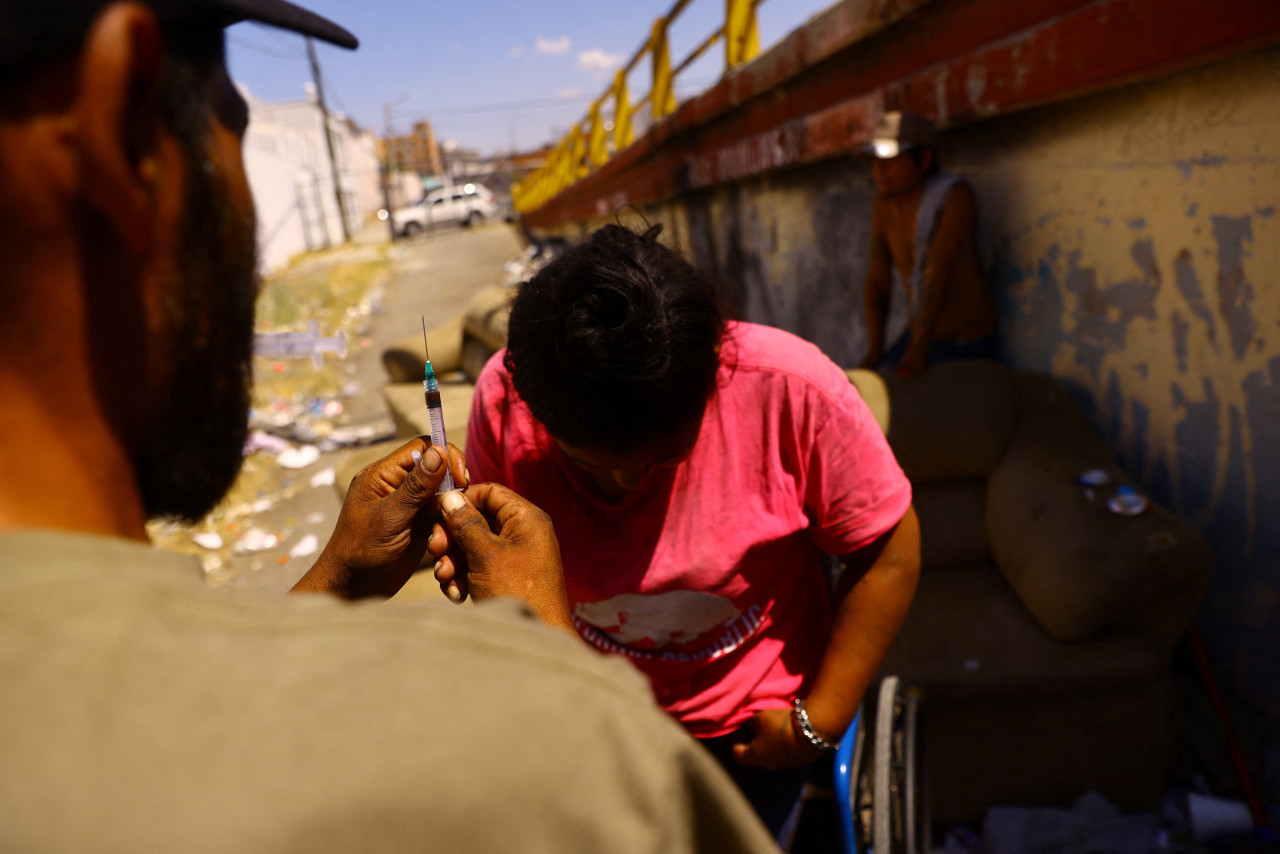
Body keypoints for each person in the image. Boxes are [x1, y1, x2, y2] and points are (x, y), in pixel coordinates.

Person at [0, 3, 780, 851]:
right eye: (235, 129)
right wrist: (546, 653)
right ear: (126, 128)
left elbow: (145, 714)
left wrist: (337, 578)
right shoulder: (563, 768)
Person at [457, 223, 921, 842]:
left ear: (713, 377)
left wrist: (818, 723)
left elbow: (887, 551)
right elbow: (502, 581)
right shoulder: (502, 400)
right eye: (588, 463)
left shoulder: (791, 389)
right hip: (598, 730)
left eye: (665, 454)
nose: (625, 484)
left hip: (754, 736)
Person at [858, 110, 999, 377]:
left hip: (966, 343)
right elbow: (879, 277)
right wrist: (876, 349)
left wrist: (919, 348)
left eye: (891, 160)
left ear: (923, 160)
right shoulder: (884, 205)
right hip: (918, 339)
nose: (880, 170)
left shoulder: (954, 197)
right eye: (875, 161)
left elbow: (937, 271)